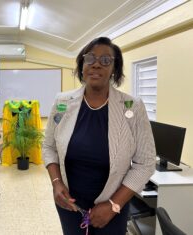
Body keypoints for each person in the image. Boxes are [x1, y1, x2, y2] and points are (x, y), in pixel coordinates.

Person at [42, 37, 156, 235]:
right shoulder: (62, 102)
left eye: (105, 60)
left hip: (114, 208)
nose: (96, 64)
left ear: (114, 68)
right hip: (69, 204)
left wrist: (113, 205)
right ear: (82, 65)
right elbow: (49, 146)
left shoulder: (133, 107)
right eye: (90, 58)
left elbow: (145, 163)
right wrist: (56, 183)